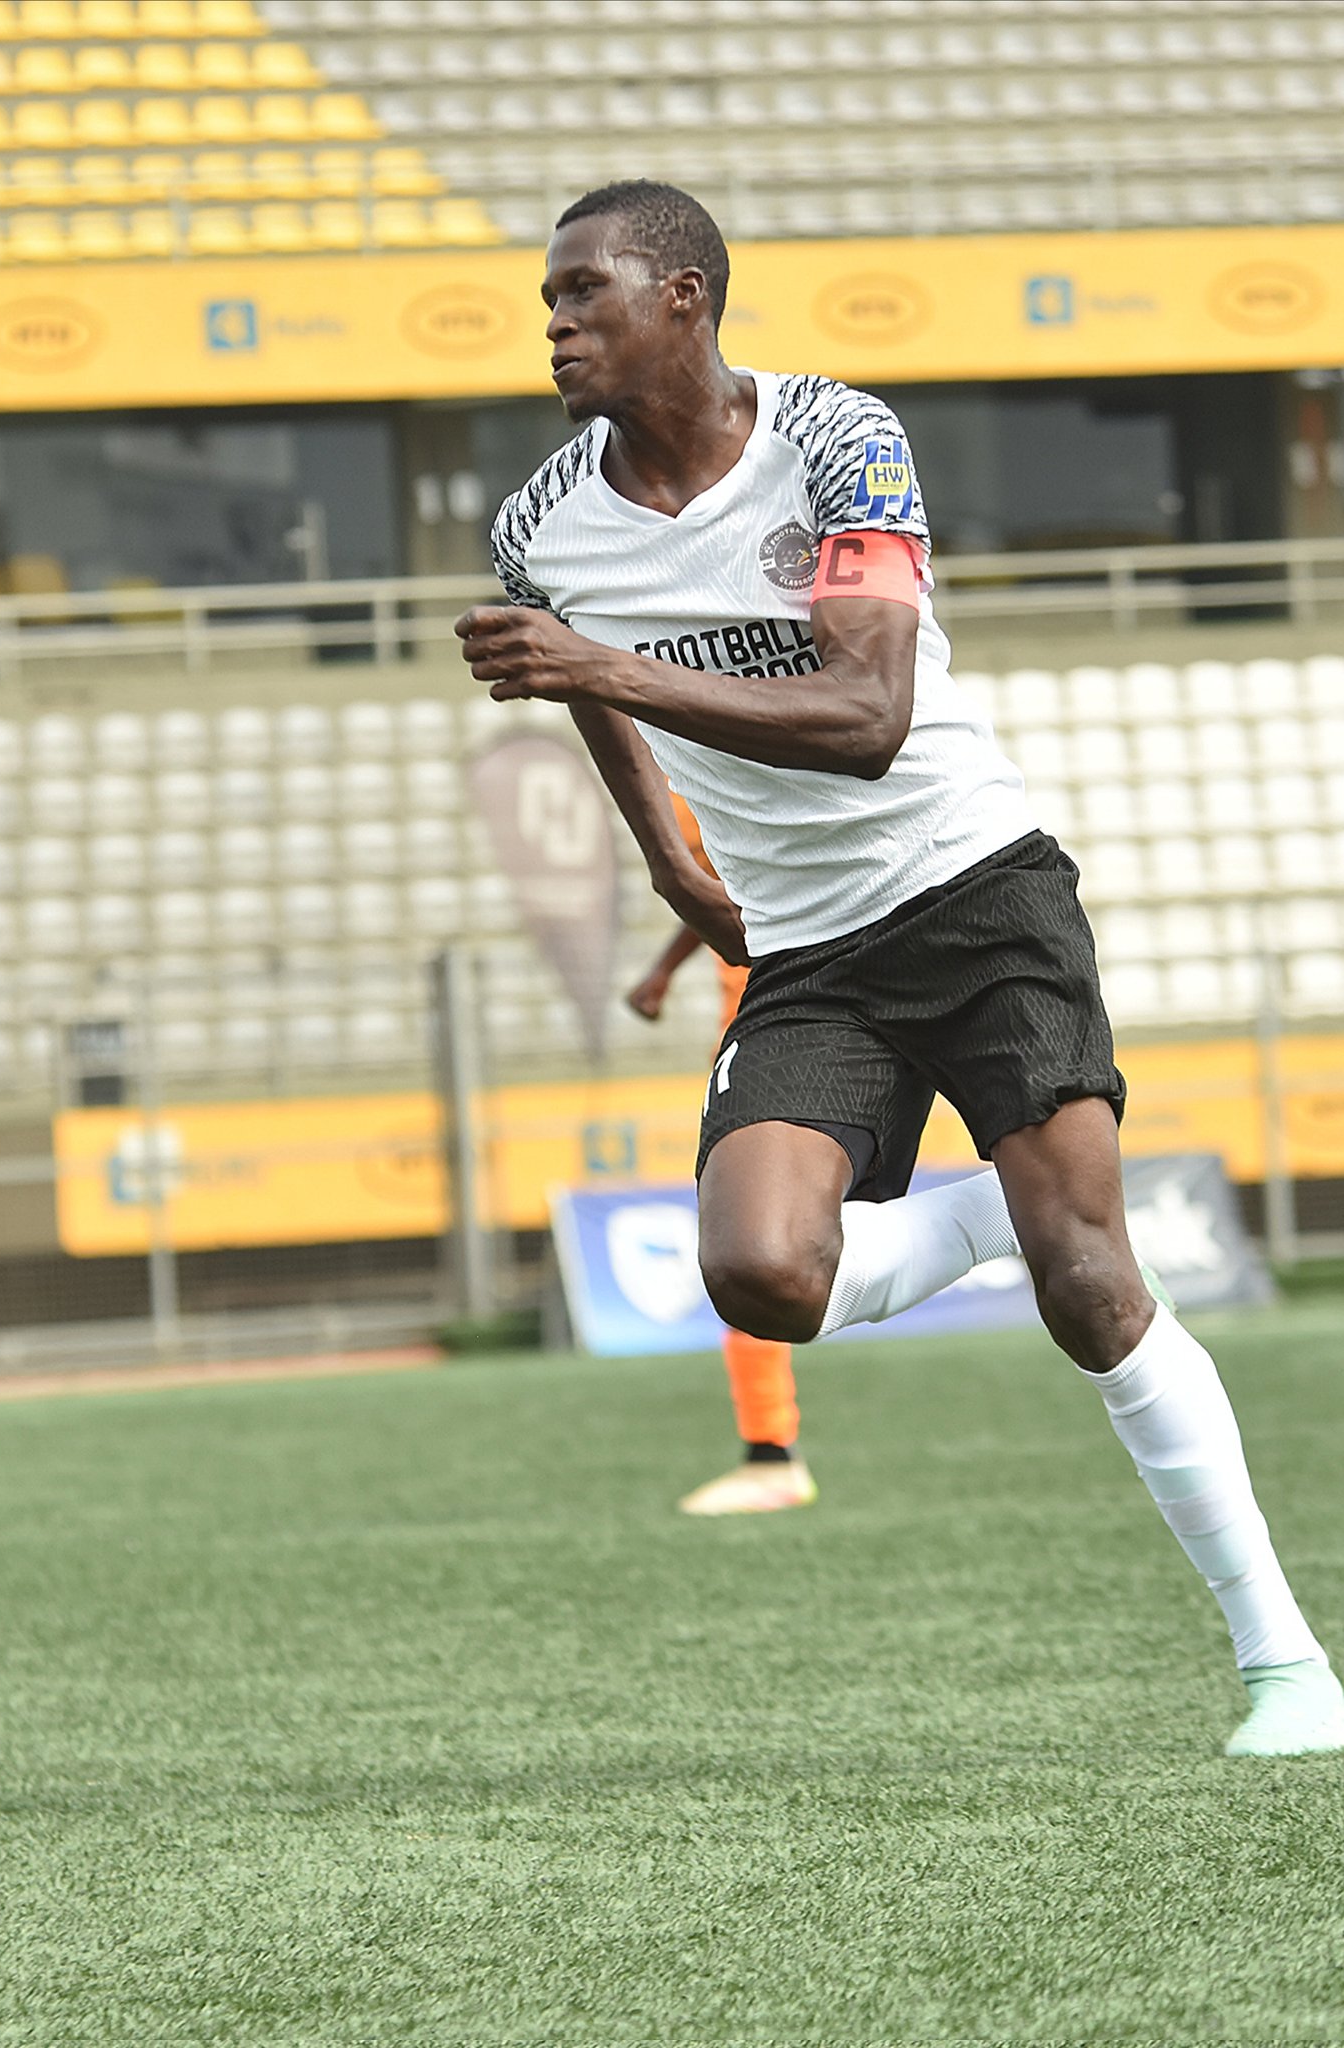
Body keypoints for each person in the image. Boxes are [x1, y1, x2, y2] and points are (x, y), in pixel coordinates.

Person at [457, 179, 1340, 1757]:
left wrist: (592, 663)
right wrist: (666, 855)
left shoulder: (835, 440)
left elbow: (865, 722)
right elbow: (557, 639)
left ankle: (1282, 1665)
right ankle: (998, 1211)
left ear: (684, 299)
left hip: (974, 889)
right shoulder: (540, 520)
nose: (555, 321)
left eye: (584, 290)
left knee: (1089, 1289)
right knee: (759, 1273)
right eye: (548, 297)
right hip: (810, 953)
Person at [629, 789, 813, 1516]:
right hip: (772, 1023)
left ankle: (771, 1454)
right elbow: (712, 885)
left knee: (745, 1235)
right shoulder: (690, 762)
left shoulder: (727, 747)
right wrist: (665, 968)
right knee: (766, 1237)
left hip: (788, 1022)